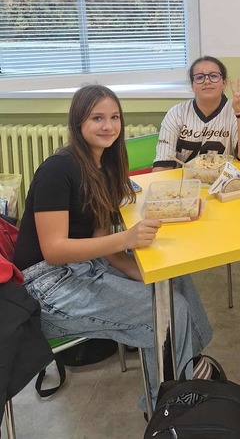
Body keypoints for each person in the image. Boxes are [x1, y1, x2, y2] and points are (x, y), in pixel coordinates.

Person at [13, 85, 213, 412]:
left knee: (173, 277)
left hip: (85, 267)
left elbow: (107, 248)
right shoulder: (57, 169)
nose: (108, 126)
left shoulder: (104, 165)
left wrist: (149, 275)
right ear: (78, 122)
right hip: (46, 286)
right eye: (97, 118)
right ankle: (166, 405)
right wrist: (128, 239)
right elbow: (54, 250)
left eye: (115, 117)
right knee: (169, 312)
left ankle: (187, 370)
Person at [153, 56, 240, 170]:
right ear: (192, 86)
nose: (207, 81)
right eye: (199, 77)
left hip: (224, 179)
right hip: (185, 179)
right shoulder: (176, 114)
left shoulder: (235, 110)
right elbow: (162, 167)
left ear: (224, 83)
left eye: (213, 76)